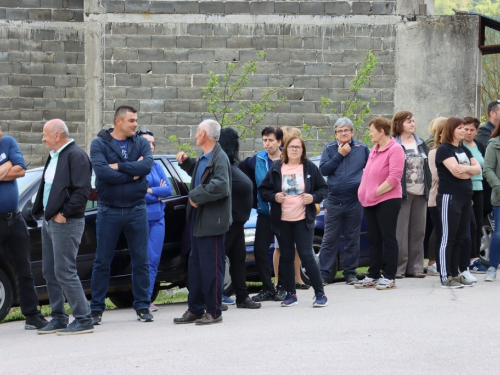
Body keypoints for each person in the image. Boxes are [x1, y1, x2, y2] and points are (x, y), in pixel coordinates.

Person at [89, 106, 154, 324]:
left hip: (137, 208)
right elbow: (102, 172)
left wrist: (119, 167)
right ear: (118, 121)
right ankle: (96, 309)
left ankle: (143, 306)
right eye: (132, 120)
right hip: (109, 210)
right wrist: (131, 174)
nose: (136, 124)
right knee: (102, 261)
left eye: (136, 120)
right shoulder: (99, 143)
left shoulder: (142, 142)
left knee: (141, 260)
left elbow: (146, 166)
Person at [32, 119, 94, 335]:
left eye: (45, 135)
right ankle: (58, 317)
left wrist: (64, 214)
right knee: (50, 271)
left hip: (66, 222)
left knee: (64, 270)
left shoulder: (76, 155)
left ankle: (84, 319)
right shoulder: (54, 156)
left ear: (57, 135)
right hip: (50, 222)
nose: (43, 139)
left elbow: (82, 191)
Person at [173, 120, 231, 325]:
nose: (195, 134)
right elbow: (203, 178)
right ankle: (195, 309)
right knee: (195, 267)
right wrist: (188, 163)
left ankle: (214, 311)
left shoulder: (219, 157)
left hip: (212, 222)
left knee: (211, 268)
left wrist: (195, 195)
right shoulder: (205, 157)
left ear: (205, 134)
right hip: (198, 221)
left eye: (197, 131)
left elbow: (221, 186)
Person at [259, 136, 329, 306]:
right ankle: (291, 294)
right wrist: (274, 197)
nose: (295, 149)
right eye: (292, 146)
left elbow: (324, 189)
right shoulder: (277, 168)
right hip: (283, 221)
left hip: (303, 219)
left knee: (307, 255)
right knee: (287, 257)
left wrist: (312, 197)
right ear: (286, 149)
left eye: (298, 147)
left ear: (303, 150)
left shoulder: (309, 167)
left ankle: (320, 294)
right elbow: (263, 190)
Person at [0, 124, 48, 331]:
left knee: (24, 269)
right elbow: (13, 168)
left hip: (15, 220)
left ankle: (32, 315)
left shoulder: (8, 142)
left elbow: (20, 169)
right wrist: (6, 166)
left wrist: (10, 167)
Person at [355, 117, 405, 290]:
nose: (370, 134)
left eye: (372, 131)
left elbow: (394, 178)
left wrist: (374, 192)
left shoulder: (396, 149)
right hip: (369, 201)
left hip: (387, 200)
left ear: (382, 131)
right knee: (374, 238)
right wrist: (364, 192)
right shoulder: (374, 150)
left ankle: (390, 276)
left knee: (388, 237)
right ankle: (373, 274)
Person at [318, 117, 369, 285]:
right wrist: (339, 156)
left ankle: (350, 273)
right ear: (335, 134)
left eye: (346, 130)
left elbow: (370, 170)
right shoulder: (330, 148)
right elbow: (324, 169)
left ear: (352, 132)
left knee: (352, 238)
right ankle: (325, 274)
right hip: (333, 201)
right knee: (329, 239)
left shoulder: (362, 148)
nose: (343, 133)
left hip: (355, 200)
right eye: (339, 131)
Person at [239, 127, 285, 302]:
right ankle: (268, 287)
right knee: (259, 250)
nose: (267, 144)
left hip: (284, 213)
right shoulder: (257, 159)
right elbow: (238, 170)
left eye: (271, 140)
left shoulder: (287, 159)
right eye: (265, 140)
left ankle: (283, 287)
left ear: (279, 142)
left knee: (284, 251)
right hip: (264, 213)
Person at [218, 127, 261, 309]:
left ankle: (242, 296)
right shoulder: (222, 164)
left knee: (238, 257)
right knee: (219, 257)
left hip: (238, 220)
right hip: (230, 220)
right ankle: (215, 294)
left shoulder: (232, 164)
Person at [435, 117, 481, 288]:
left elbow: (477, 169)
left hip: (465, 198)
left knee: (460, 237)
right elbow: (456, 173)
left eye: (464, 128)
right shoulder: (444, 150)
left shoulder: (463, 149)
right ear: (451, 130)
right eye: (460, 128)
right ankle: (445, 276)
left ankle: (455, 273)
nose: (464, 131)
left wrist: (467, 169)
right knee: (448, 238)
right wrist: (469, 170)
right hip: (450, 197)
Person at [392, 111, 431, 279]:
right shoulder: (394, 143)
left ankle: (415, 267)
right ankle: (399, 268)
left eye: (413, 121)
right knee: (401, 232)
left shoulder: (421, 143)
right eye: (408, 121)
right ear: (399, 124)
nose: (412, 124)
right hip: (402, 194)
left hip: (421, 192)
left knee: (418, 231)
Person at [137, 129, 172, 312]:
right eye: (147, 142)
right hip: (140, 217)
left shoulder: (157, 166)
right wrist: (155, 192)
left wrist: (151, 191)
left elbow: (169, 190)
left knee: (153, 259)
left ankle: (146, 298)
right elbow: (137, 193)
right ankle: (141, 298)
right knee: (142, 259)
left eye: (153, 143)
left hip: (158, 219)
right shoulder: (134, 165)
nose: (151, 146)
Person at [273, 126, 310, 290]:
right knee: (279, 248)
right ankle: (277, 279)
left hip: (298, 211)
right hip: (282, 213)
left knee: (295, 249)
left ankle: (297, 278)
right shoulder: (280, 161)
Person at [463, 117, 488, 274]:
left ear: (477, 131)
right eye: (466, 129)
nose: (468, 133)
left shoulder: (479, 145)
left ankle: (475, 257)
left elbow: (483, 167)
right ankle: (468, 258)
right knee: (468, 225)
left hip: (479, 188)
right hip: (465, 189)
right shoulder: (459, 147)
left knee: (477, 225)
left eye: (472, 130)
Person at [426, 117, 448, 277]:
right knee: (438, 229)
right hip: (437, 195)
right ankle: (433, 262)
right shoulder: (433, 150)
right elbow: (438, 175)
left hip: (451, 194)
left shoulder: (454, 149)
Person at [482, 118, 500, 281]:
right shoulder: (494, 144)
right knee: (499, 234)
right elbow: (488, 169)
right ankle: (492, 267)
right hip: (499, 196)